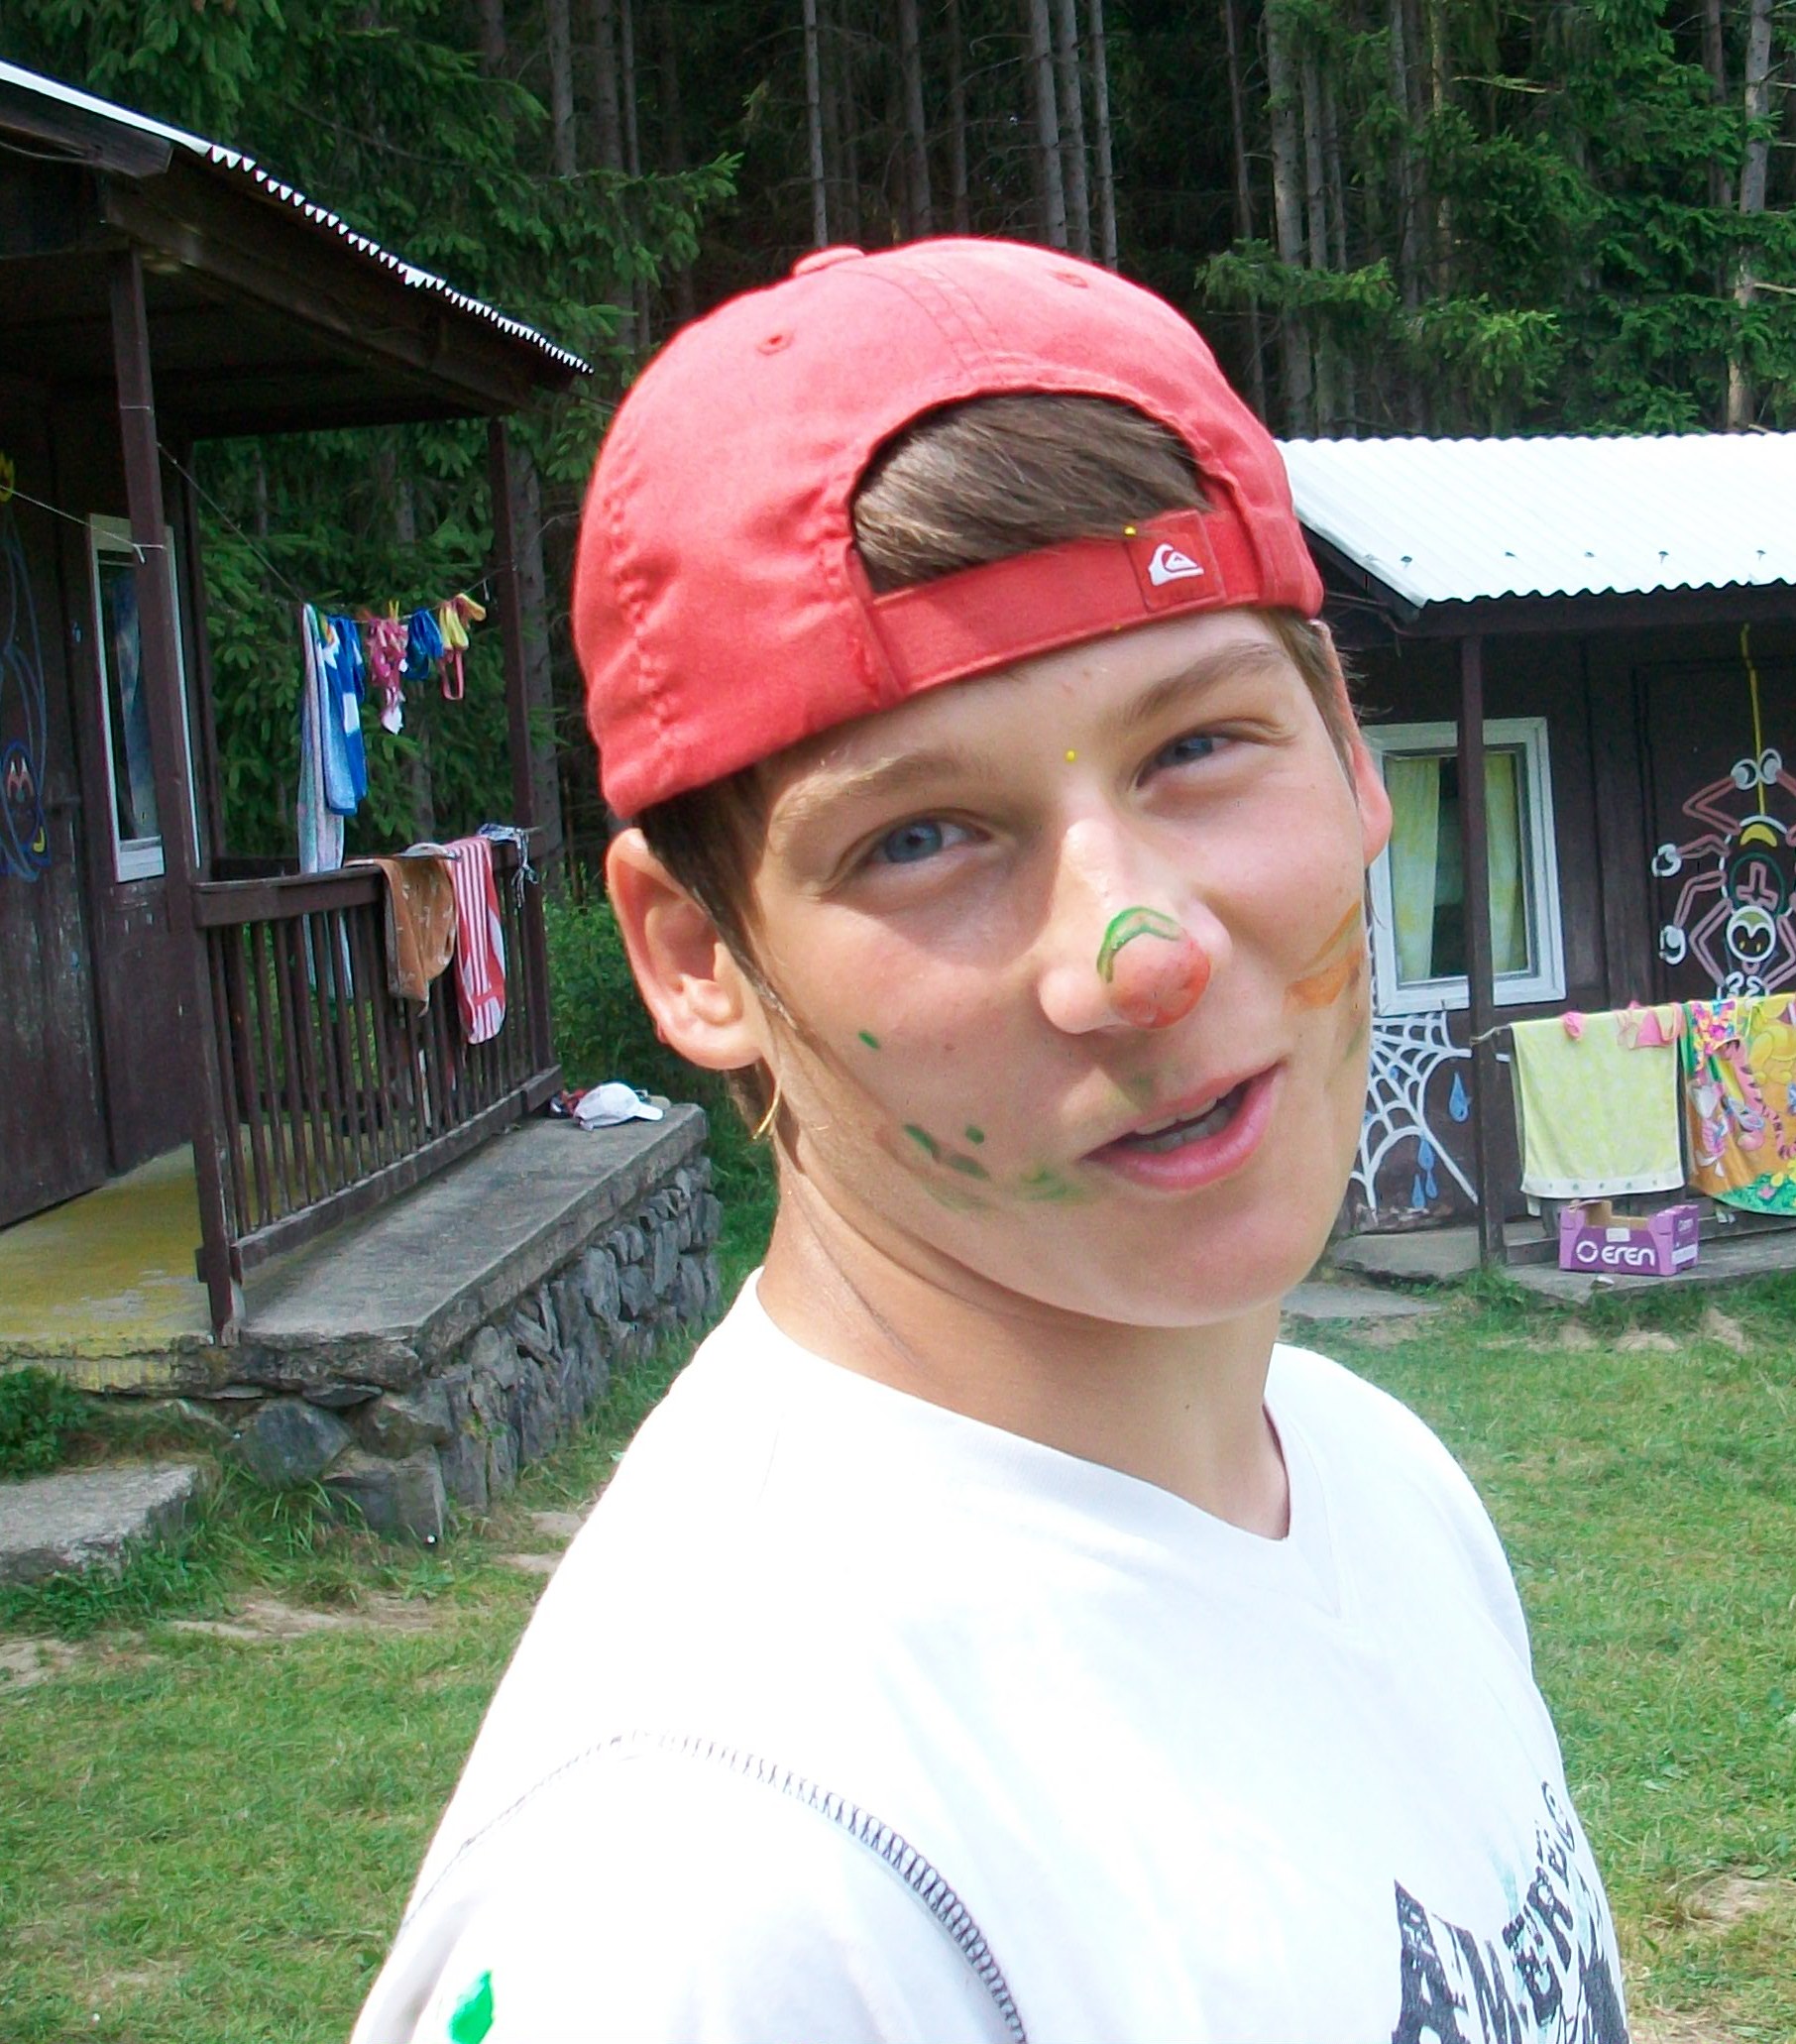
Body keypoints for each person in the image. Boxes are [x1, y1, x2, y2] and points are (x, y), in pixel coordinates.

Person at [353, 237, 1630, 2044]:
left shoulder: (1373, 1480)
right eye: (923, 838)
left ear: (1352, 751)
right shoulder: (716, 1898)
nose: (1140, 954)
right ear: (696, 953)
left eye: (1199, 744)